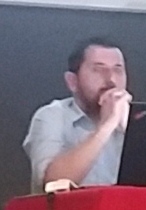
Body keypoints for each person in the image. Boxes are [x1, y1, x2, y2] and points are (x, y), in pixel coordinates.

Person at [23, 38, 130, 190]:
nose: (111, 80)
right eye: (98, 70)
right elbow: (53, 183)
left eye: (118, 70)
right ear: (72, 81)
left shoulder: (137, 118)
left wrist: (134, 131)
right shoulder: (51, 116)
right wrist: (107, 125)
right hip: (69, 206)